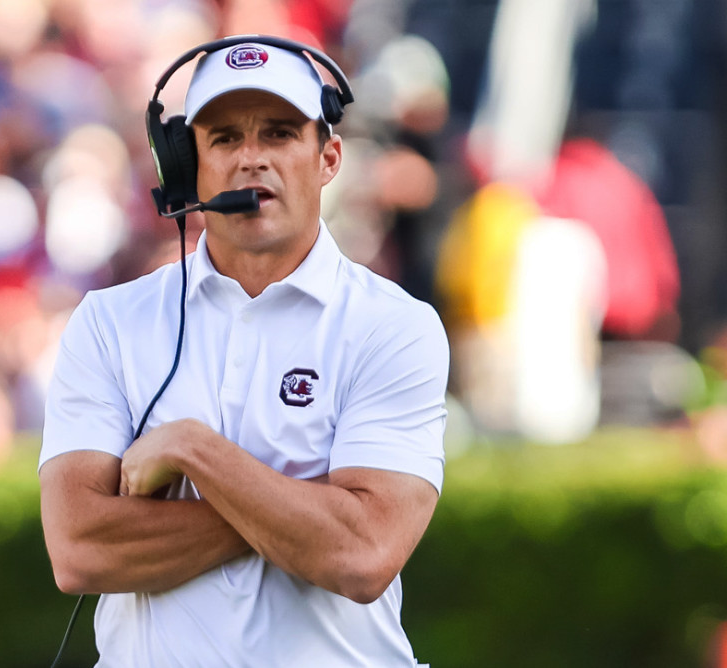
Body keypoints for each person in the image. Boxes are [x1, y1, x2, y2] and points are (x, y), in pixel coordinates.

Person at [38, 36, 450, 667]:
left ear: (328, 158)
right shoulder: (107, 323)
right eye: (225, 138)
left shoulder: (395, 327)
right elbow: (79, 550)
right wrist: (304, 515)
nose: (251, 159)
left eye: (280, 134)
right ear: (185, 166)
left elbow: (364, 558)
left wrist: (192, 449)